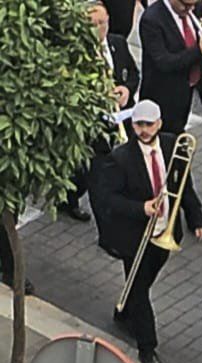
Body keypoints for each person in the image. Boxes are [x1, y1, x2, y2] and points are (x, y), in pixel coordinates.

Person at [95, 99, 202, 363]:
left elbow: (184, 183)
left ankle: (123, 312)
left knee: (142, 282)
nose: (143, 130)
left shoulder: (172, 145)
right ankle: (148, 346)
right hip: (135, 236)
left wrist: (195, 217)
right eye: (138, 125)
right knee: (140, 291)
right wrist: (141, 208)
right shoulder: (120, 157)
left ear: (159, 123)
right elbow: (108, 199)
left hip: (164, 231)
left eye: (148, 124)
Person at [61, 2, 142, 223]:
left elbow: (133, 75)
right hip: (94, 123)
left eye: (103, 22)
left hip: (121, 117)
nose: (99, 28)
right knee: (90, 173)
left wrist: (126, 90)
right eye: (93, 24)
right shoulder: (77, 54)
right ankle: (71, 198)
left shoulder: (118, 43)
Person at [139, 0, 202, 136]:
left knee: (178, 132)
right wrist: (199, 50)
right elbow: (164, 62)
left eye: (193, 5)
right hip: (162, 95)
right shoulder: (151, 19)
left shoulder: (195, 9)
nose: (190, 9)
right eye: (185, 5)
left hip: (187, 88)